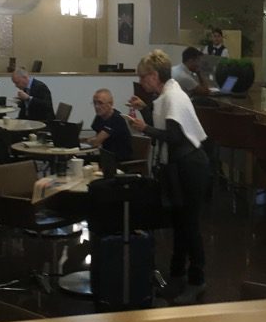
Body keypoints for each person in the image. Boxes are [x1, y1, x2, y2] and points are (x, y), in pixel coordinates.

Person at [127, 50, 211, 305]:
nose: (141, 82)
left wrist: (145, 128)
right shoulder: (167, 95)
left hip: (190, 167)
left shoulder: (174, 96)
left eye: (143, 77)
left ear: (154, 76)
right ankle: (176, 276)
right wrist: (146, 110)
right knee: (180, 224)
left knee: (189, 226)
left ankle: (197, 280)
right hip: (180, 165)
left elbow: (173, 136)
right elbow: (166, 124)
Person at [88, 88, 133, 161]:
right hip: (107, 156)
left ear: (110, 103)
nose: (96, 106)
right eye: (94, 103)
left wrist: (88, 140)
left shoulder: (117, 119)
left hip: (120, 160)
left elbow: (96, 142)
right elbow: (96, 137)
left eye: (100, 103)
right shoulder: (99, 117)